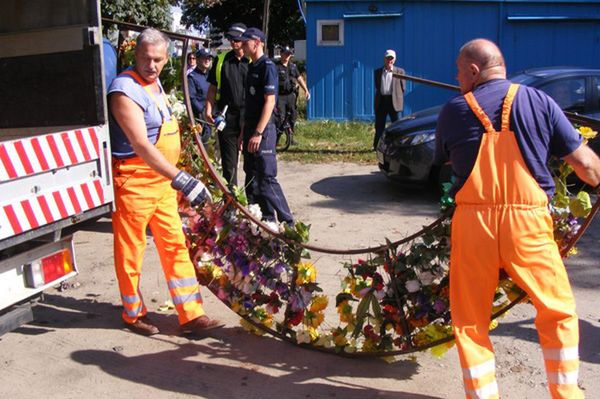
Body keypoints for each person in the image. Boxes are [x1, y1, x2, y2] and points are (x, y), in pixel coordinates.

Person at [433, 38, 600, 399]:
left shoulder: (453, 110)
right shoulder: (541, 102)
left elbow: (446, 163)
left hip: (474, 224)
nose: (456, 76)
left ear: (474, 71)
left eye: (459, 71)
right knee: (557, 310)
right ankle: (566, 394)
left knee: (470, 318)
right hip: (528, 224)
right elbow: (586, 166)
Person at [108, 28, 222, 337]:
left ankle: (191, 314)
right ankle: (133, 313)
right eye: (146, 59)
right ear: (136, 56)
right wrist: (182, 179)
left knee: (175, 246)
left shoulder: (156, 84)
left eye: (158, 59)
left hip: (161, 184)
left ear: (167, 59)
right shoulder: (124, 89)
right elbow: (142, 145)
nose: (152, 65)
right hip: (133, 181)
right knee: (131, 250)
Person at [239, 27, 294, 225]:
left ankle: (289, 223)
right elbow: (250, 104)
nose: (243, 45)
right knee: (252, 177)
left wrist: (258, 132)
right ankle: (266, 221)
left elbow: (269, 102)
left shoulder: (267, 66)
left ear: (257, 42)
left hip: (264, 129)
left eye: (246, 42)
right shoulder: (251, 66)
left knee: (266, 177)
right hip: (251, 129)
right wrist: (245, 131)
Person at [205, 23, 249, 187]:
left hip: (249, 117)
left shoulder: (253, 61)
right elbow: (212, 88)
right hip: (227, 117)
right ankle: (231, 204)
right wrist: (208, 109)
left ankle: (253, 205)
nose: (233, 42)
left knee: (252, 164)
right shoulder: (222, 60)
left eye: (236, 39)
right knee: (228, 164)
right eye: (231, 39)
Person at [275, 45, 310, 143]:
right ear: (281, 54)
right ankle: (276, 139)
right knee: (280, 117)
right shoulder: (275, 66)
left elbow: (299, 78)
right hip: (280, 96)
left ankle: (290, 139)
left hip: (291, 95)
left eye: (289, 54)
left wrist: (306, 90)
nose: (287, 56)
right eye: (285, 54)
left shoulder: (293, 66)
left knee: (292, 116)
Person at [373, 49, 405, 150]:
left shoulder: (400, 71)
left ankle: (399, 146)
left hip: (394, 101)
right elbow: (377, 86)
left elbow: (403, 87)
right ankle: (377, 146)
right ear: (384, 59)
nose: (389, 60)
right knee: (379, 126)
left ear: (394, 60)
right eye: (387, 58)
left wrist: (397, 96)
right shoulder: (378, 72)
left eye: (391, 58)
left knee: (397, 125)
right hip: (382, 101)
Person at [188, 47, 213, 146]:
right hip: (200, 118)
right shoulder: (192, 77)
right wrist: (203, 111)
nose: (207, 60)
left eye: (209, 58)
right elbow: (191, 98)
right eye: (204, 58)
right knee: (201, 146)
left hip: (211, 116)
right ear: (197, 59)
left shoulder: (210, 76)